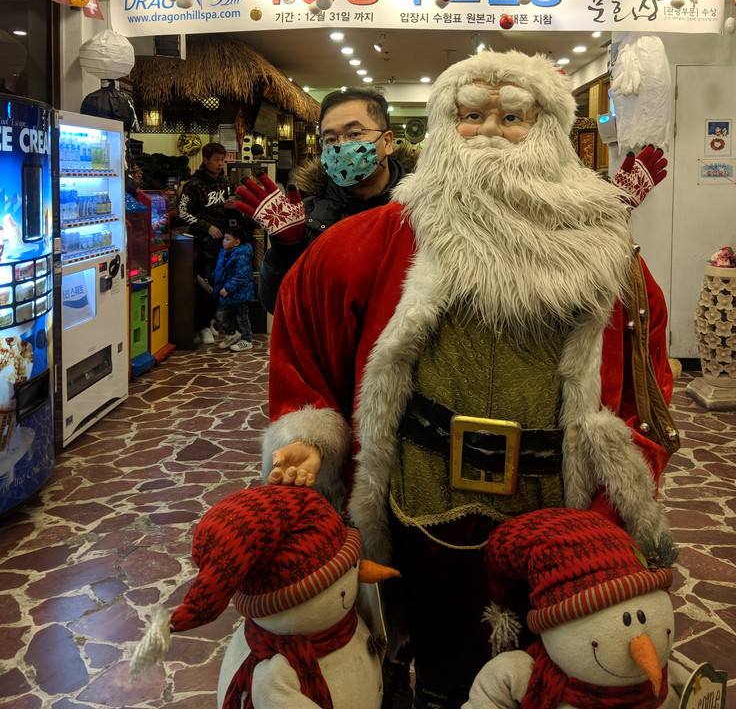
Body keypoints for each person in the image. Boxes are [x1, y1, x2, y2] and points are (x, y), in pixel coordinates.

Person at [257, 50, 678, 709]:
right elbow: (304, 327)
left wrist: (623, 485)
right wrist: (310, 436)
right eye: (471, 116)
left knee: (544, 650)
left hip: (550, 498)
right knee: (441, 645)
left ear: (546, 127)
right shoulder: (378, 238)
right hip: (425, 494)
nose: (489, 131)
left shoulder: (605, 253)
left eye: (512, 117)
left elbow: (644, 371)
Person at [235, 87, 406, 313]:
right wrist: (286, 249)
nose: (341, 145)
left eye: (354, 134)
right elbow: (276, 305)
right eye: (331, 139)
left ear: (387, 142)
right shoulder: (307, 215)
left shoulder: (427, 209)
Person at [177, 142, 235, 344]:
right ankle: (202, 326)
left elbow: (234, 200)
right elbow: (182, 212)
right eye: (216, 160)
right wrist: (207, 226)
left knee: (221, 283)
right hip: (203, 243)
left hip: (224, 242)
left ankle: (210, 321)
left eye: (222, 160)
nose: (220, 164)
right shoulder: (192, 185)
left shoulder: (226, 182)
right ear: (205, 160)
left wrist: (233, 204)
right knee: (206, 285)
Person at [211, 228, 255, 352]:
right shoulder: (224, 252)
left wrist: (228, 287)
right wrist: (210, 279)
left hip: (239, 292)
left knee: (241, 317)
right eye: (224, 238)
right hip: (226, 292)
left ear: (237, 242)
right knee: (220, 314)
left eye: (227, 239)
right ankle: (232, 333)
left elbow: (241, 274)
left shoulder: (243, 255)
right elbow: (219, 270)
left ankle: (247, 340)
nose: (223, 241)